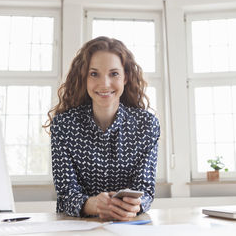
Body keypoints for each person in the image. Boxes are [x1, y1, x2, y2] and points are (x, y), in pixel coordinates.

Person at [45, 36, 160, 220]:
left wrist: (134, 206)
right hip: (76, 227)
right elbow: (66, 195)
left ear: (125, 77)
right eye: (94, 74)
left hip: (128, 226)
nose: (104, 84)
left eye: (114, 73)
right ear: (84, 78)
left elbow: (145, 191)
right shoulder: (63, 125)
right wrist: (93, 205)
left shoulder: (146, 125)